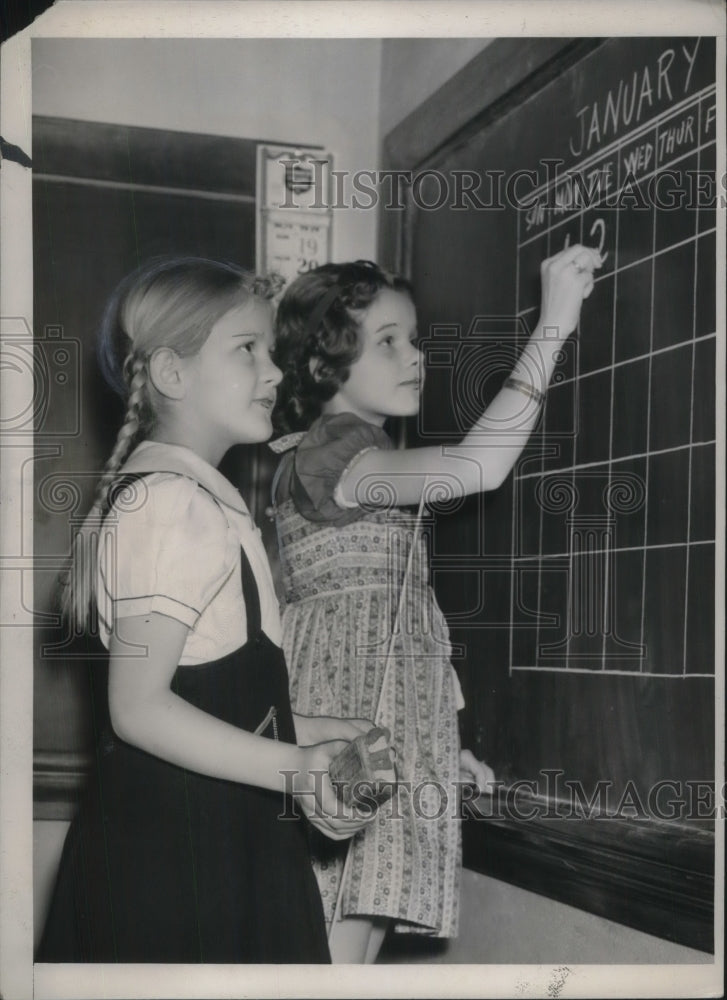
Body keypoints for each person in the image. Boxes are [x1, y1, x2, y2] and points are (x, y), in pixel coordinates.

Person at [36, 257, 375, 964]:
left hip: (216, 847)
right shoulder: (167, 503)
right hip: (178, 868)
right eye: (246, 350)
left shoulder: (203, 502)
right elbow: (139, 709)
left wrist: (317, 734)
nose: (276, 373)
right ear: (171, 373)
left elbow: (214, 693)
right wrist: (296, 767)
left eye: (271, 353)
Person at [270, 244, 602, 963]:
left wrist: (439, 743)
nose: (414, 356)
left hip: (377, 728)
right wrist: (554, 324)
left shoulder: (346, 456)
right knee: (332, 956)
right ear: (327, 362)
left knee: (345, 950)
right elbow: (478, 467)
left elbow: (387, 620)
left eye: (413, 339)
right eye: (386, 342)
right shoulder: (334, 455)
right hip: (350, 735)